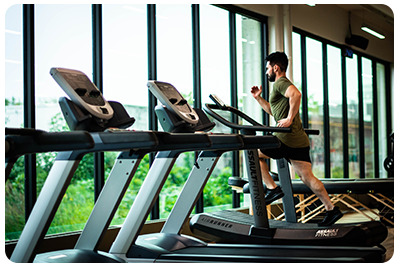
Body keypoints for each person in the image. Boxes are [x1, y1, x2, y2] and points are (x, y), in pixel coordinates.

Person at [251, 51, 343, 226]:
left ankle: (272, 189)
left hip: (285, 138)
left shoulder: (281, 83)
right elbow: (274, 112)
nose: (266, 72)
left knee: (253, 153)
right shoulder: (280, 87)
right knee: (307, 177)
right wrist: (258, 98)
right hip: (298, 140)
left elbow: (296, 95)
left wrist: (290, 119)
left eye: (267, 68)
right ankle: (331, 209)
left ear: (275, 67)